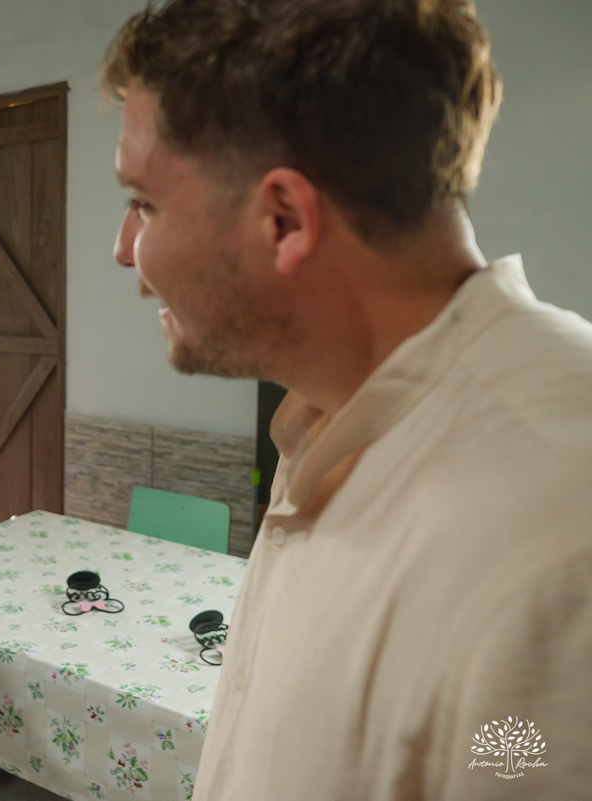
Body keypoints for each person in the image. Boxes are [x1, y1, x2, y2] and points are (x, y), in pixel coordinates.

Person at [103, 1, 592, 799]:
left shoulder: (558, 534)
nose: (124, 249)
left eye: (144, 204)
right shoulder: (335, 419)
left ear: (285, 219)